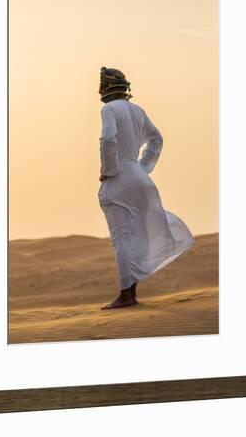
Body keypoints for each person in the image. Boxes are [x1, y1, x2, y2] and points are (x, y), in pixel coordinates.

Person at [98, 66, 195, 310]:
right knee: (137, 234)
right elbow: (157, 139)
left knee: (121, 237)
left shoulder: (109, 109)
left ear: (106, 87)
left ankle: (126, 295)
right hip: (140, 179)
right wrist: (143, 167)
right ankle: (130, 292)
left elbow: (109, 138)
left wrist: (108, 170)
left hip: (120, 178)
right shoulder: (137, 110)